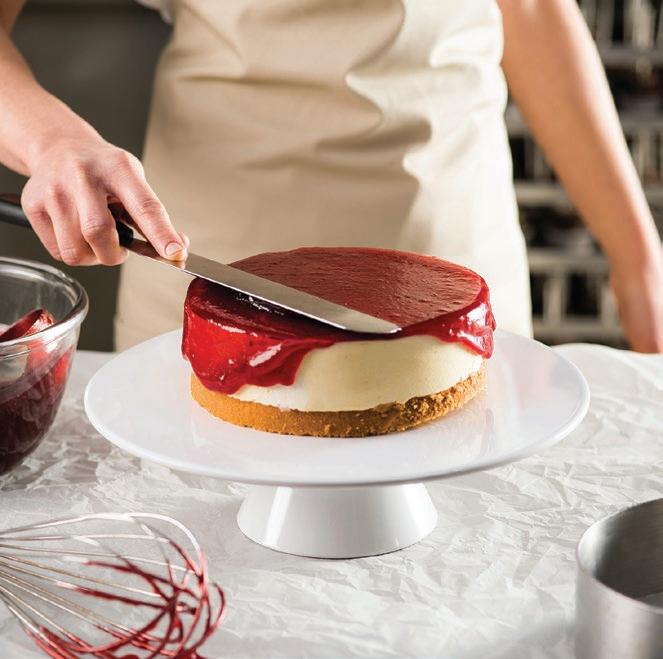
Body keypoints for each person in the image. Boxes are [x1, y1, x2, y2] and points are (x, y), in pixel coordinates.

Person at [0, 0, 661, 352]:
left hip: (458, 262)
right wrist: (53, 141)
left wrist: (638, 258)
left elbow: (531, 8)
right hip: (213, 276)